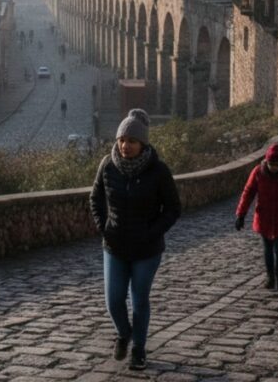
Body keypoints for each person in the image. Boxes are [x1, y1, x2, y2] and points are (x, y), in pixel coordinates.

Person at [90, 109, 181, 371]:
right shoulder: (108, 165)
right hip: (115, 245)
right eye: (121, 140)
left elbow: (173, 208)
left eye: (131, 141)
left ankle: (139, 349)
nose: (125, 145)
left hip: (147, 249)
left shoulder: (159, 171)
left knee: (139, 299)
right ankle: (123, 333)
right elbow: (95, 199)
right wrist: (102, 226)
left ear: (143, 144)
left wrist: (153, 232)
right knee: (114, 300)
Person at [234, 144, 278, 291]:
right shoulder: (258, 172)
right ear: (266, 162)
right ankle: (270, 277)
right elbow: (248, 192)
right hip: (264, 217)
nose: (274, 168)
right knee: (268, 249)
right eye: (272, 164)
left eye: (277, 165)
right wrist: (241, 214)